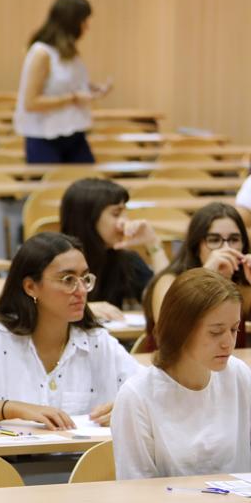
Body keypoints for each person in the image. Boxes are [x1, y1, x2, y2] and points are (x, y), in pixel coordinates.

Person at [0, 233, 141, 430]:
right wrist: (12, 408)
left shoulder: (97, 340)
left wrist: (127, 407)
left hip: (84, 458)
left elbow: (151, 390)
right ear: (30, 287)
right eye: (68, 279)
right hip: (13, 459)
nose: (81, 290)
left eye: (84, 278)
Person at [113, 268, 251, 479]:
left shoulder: (238, 375)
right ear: (181, 330)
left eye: (234, 330)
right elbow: (136, 489)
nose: (228, 343)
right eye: (215, 332)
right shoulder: (137, 396)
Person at [13, 0, 110, 164]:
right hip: (45, 136)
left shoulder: (68, 52)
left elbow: (64, 85)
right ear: (72, 22)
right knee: (51, 189)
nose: (87, 27)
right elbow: (31, 102)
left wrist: (90, 88)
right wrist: (73, 98)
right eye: (84, 20)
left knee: (85, 186)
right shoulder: (41, 53)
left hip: (73, 130)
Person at [142, 203, 251, 352]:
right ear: (196, 246)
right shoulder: (168, 280)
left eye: (234, 239)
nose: (226, 248)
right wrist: (204, 276)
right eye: (214, 240)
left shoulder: (242, 285)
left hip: (225, 370)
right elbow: (169, 334)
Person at [59, 178, 168, 321]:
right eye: (116, 214)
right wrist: (87, 308)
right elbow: (32, 306)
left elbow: (167, 304)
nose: (125, 222)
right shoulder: (54, 259)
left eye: (125, 213)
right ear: (88, 219)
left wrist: (154, 244)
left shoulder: (126, 259)